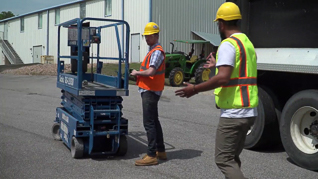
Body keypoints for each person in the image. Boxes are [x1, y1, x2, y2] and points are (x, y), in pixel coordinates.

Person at [175, 2, 258, 179]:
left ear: (221, 23)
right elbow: (237, 71)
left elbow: (223, 78)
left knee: (223, 160)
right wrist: (217, 65)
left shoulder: (228, 44)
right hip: (249, 110)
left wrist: (195, 89)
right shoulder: (246, 42)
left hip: (234, 112)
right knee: (232, 158)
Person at [130, 22, 167, 166]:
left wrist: (137, 72)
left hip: (150, 91)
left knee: (149, 123)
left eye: (149, 36)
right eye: (145, 36)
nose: (146, 39)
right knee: (154, 121)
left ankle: (152, 155)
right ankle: (161, 150)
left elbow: (151, 71)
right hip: (149, 89)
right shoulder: (152, 50)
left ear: (155, 36)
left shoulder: (157, 51)